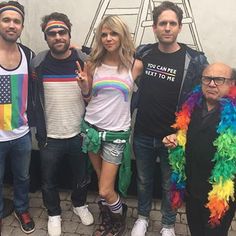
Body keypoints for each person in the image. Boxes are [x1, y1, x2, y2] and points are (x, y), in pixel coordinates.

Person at [130, 1, 208, 236]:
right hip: (143, 132)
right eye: (162, 23)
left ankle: (167, 224)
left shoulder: (193, 59)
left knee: (169, 184)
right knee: (143, 180)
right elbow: (116, 63)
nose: (167, 27)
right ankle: (142, 218)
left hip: (173, 137)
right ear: (154, 27)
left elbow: (199, 98)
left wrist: (182, 132)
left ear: (179, 27)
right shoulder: (143, 52)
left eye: (172, 23)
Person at [31, 12, 94, 236]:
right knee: (49, 181)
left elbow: (106, 54)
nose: (57, 37)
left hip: (79, 134)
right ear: (46, 37)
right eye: (52, 33)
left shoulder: (84, 60)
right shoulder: (38, 63)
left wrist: (82, 50)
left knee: (81, 177)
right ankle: (54, 213)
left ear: (69, 34)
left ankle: (79, 205)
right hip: (50, 137)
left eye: (62, 32)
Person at [76, 15, 135, 236]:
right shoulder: (92, 64)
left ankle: (119, 218)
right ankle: (110, 219)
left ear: (122, 36)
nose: (109, 38)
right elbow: (89, 98)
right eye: (104, 34)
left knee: (105, 188)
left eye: (113, 33)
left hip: (115, 135)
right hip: (91, 130)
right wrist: (83, 87)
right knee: (102, 186)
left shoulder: (134, 64)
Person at [163, 62, 236, 236]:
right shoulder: (191, 105)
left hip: (219, 196)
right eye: (207, 79)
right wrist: (175, 140)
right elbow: (183, 136)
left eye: (219, 79)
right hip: (192, 189)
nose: (211, 84)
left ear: (232, 83)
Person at [0, 1, 35, 234]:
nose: (11, 25)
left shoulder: (28, 54)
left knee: (23, 177)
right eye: (6, 20)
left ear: (22, 26)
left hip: (21, 133)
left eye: (16, 21)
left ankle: (21, 208)